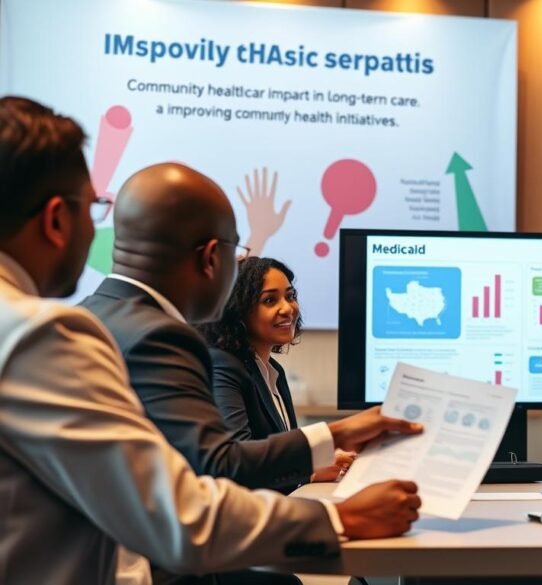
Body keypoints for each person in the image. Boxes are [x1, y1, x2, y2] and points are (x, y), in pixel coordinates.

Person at [0, 96, 420, 585]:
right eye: (93, 206)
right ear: (55, 220)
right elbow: (187, 507)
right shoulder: (46, 334)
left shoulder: (78, 319)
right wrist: (342, 519)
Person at [80, 162, 422, 583]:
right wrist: (338, 453)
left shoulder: (88, 317)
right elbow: (219, 466)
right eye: (236, 252)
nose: (286, 309)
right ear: (211, 257)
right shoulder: (161, 336)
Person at [196, 257, 351, 487]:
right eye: (270, 300)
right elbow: (237, 466)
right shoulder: (224, 367)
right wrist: (308, 471)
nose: (288, 308)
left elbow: (278, 454)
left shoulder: (273, 370)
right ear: (237, 310)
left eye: (290, 296)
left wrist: (318, 461)